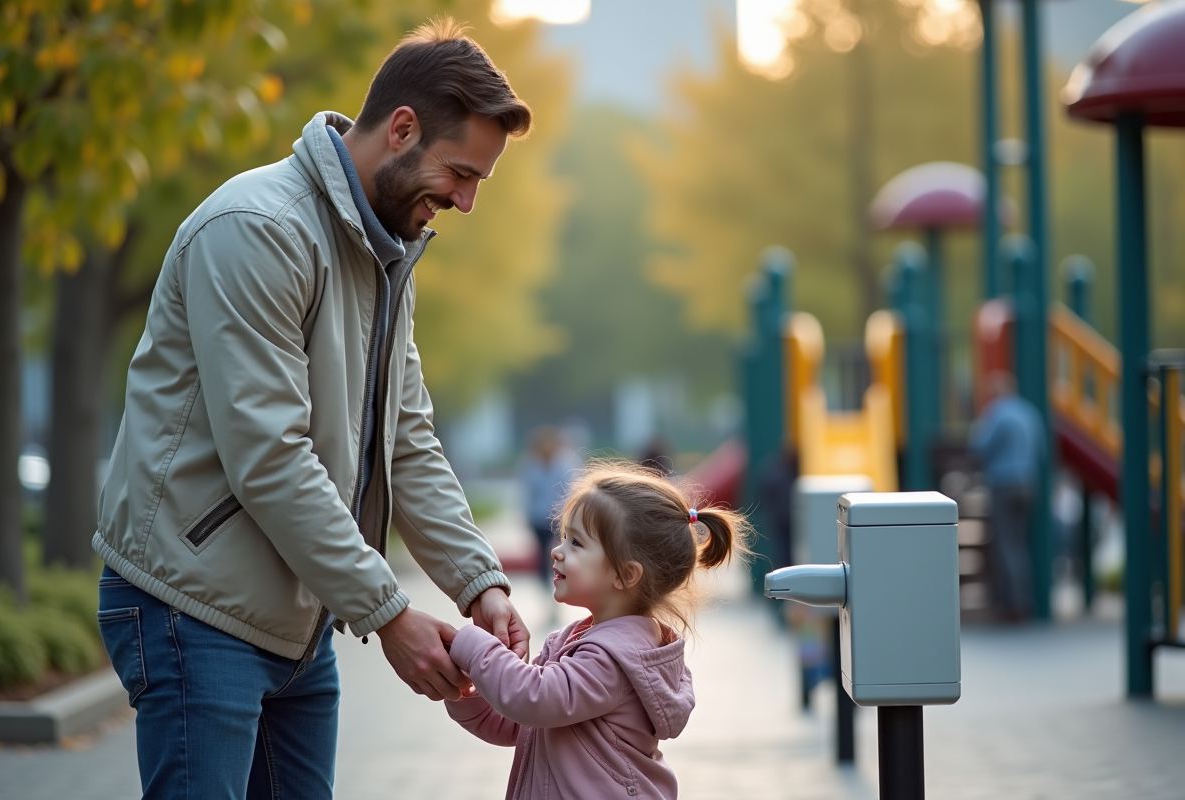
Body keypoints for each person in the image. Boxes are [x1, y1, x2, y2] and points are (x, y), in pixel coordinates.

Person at [93, 19, 532, 799]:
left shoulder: (385, 247)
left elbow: (406, 437)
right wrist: (390, 613)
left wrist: (478, 584)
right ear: (402, 129)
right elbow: (269, 454)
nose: (466, 202)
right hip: (193, 607)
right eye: (462, 172)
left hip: (297, 618)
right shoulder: (258, 229)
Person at [443, 462, 751, 800]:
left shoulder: (612, 660)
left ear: (625, 575)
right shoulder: (577, 642)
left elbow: (533, 698)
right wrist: (466, 691)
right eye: (563, 537)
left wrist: (472, 647)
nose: (557, 551)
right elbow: (523, 723)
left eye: (576, 542)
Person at [969, 371, 1046, 622]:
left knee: (1004, 544)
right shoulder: (1029, 413)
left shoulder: (998, 412)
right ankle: (1025, 598)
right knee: (1019, 543)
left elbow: (979, 446)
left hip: (1003, 483)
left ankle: (1012, 603)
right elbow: (1042, 448)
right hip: (1027, 481)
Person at [519, 426, 581, 586]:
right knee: (542, 552)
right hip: (538, 516)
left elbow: (572, 488)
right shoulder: (530, 464)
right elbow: (527, 492)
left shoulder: (565, 462)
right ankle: (546, 584)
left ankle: (563, 580)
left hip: (559, 515)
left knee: (560, 549)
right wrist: (526, 515)